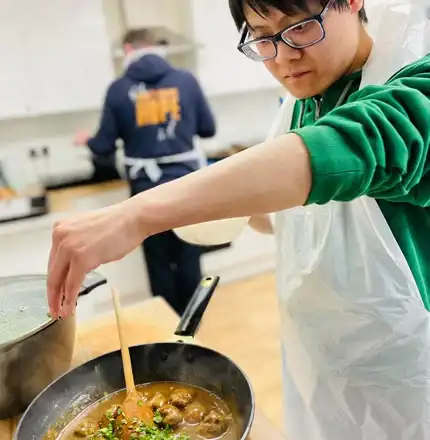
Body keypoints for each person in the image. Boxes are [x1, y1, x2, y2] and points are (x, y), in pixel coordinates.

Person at [48, 1, 430, 438]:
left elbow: (361, 144)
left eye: (301, 27)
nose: (284, 56)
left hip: (398, 379)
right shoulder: (299, 101)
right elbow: (292, 220)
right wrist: (238, 211)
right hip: (316, 364)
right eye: (262, 37)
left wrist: (137, 215)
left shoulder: (417, 81)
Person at [73, 28, 216, 315]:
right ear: (156, 47)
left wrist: (86, 140)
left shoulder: (118, 90)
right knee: (189, 253)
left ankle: (166, 327)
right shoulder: (186, 81)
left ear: (128, 50)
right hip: (186, 184)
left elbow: (102, 146)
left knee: (158, 261)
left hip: (145, 190)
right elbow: (208, 129)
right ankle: (192, 326)